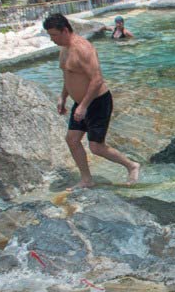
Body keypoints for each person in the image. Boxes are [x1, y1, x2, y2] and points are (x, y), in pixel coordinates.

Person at [44, 13, 140, 188]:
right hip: (81, 103)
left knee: (96, 147)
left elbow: (97, 80)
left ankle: (132, 166)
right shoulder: (64, 49)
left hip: (97, 102)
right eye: (50, 35)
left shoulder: (83, 49)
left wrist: (84, 106)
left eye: (54, 35)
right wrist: (63, 97)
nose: (52, 39)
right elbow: (68, 76)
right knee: (72, 140)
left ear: (65, 30)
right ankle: (87, 179)